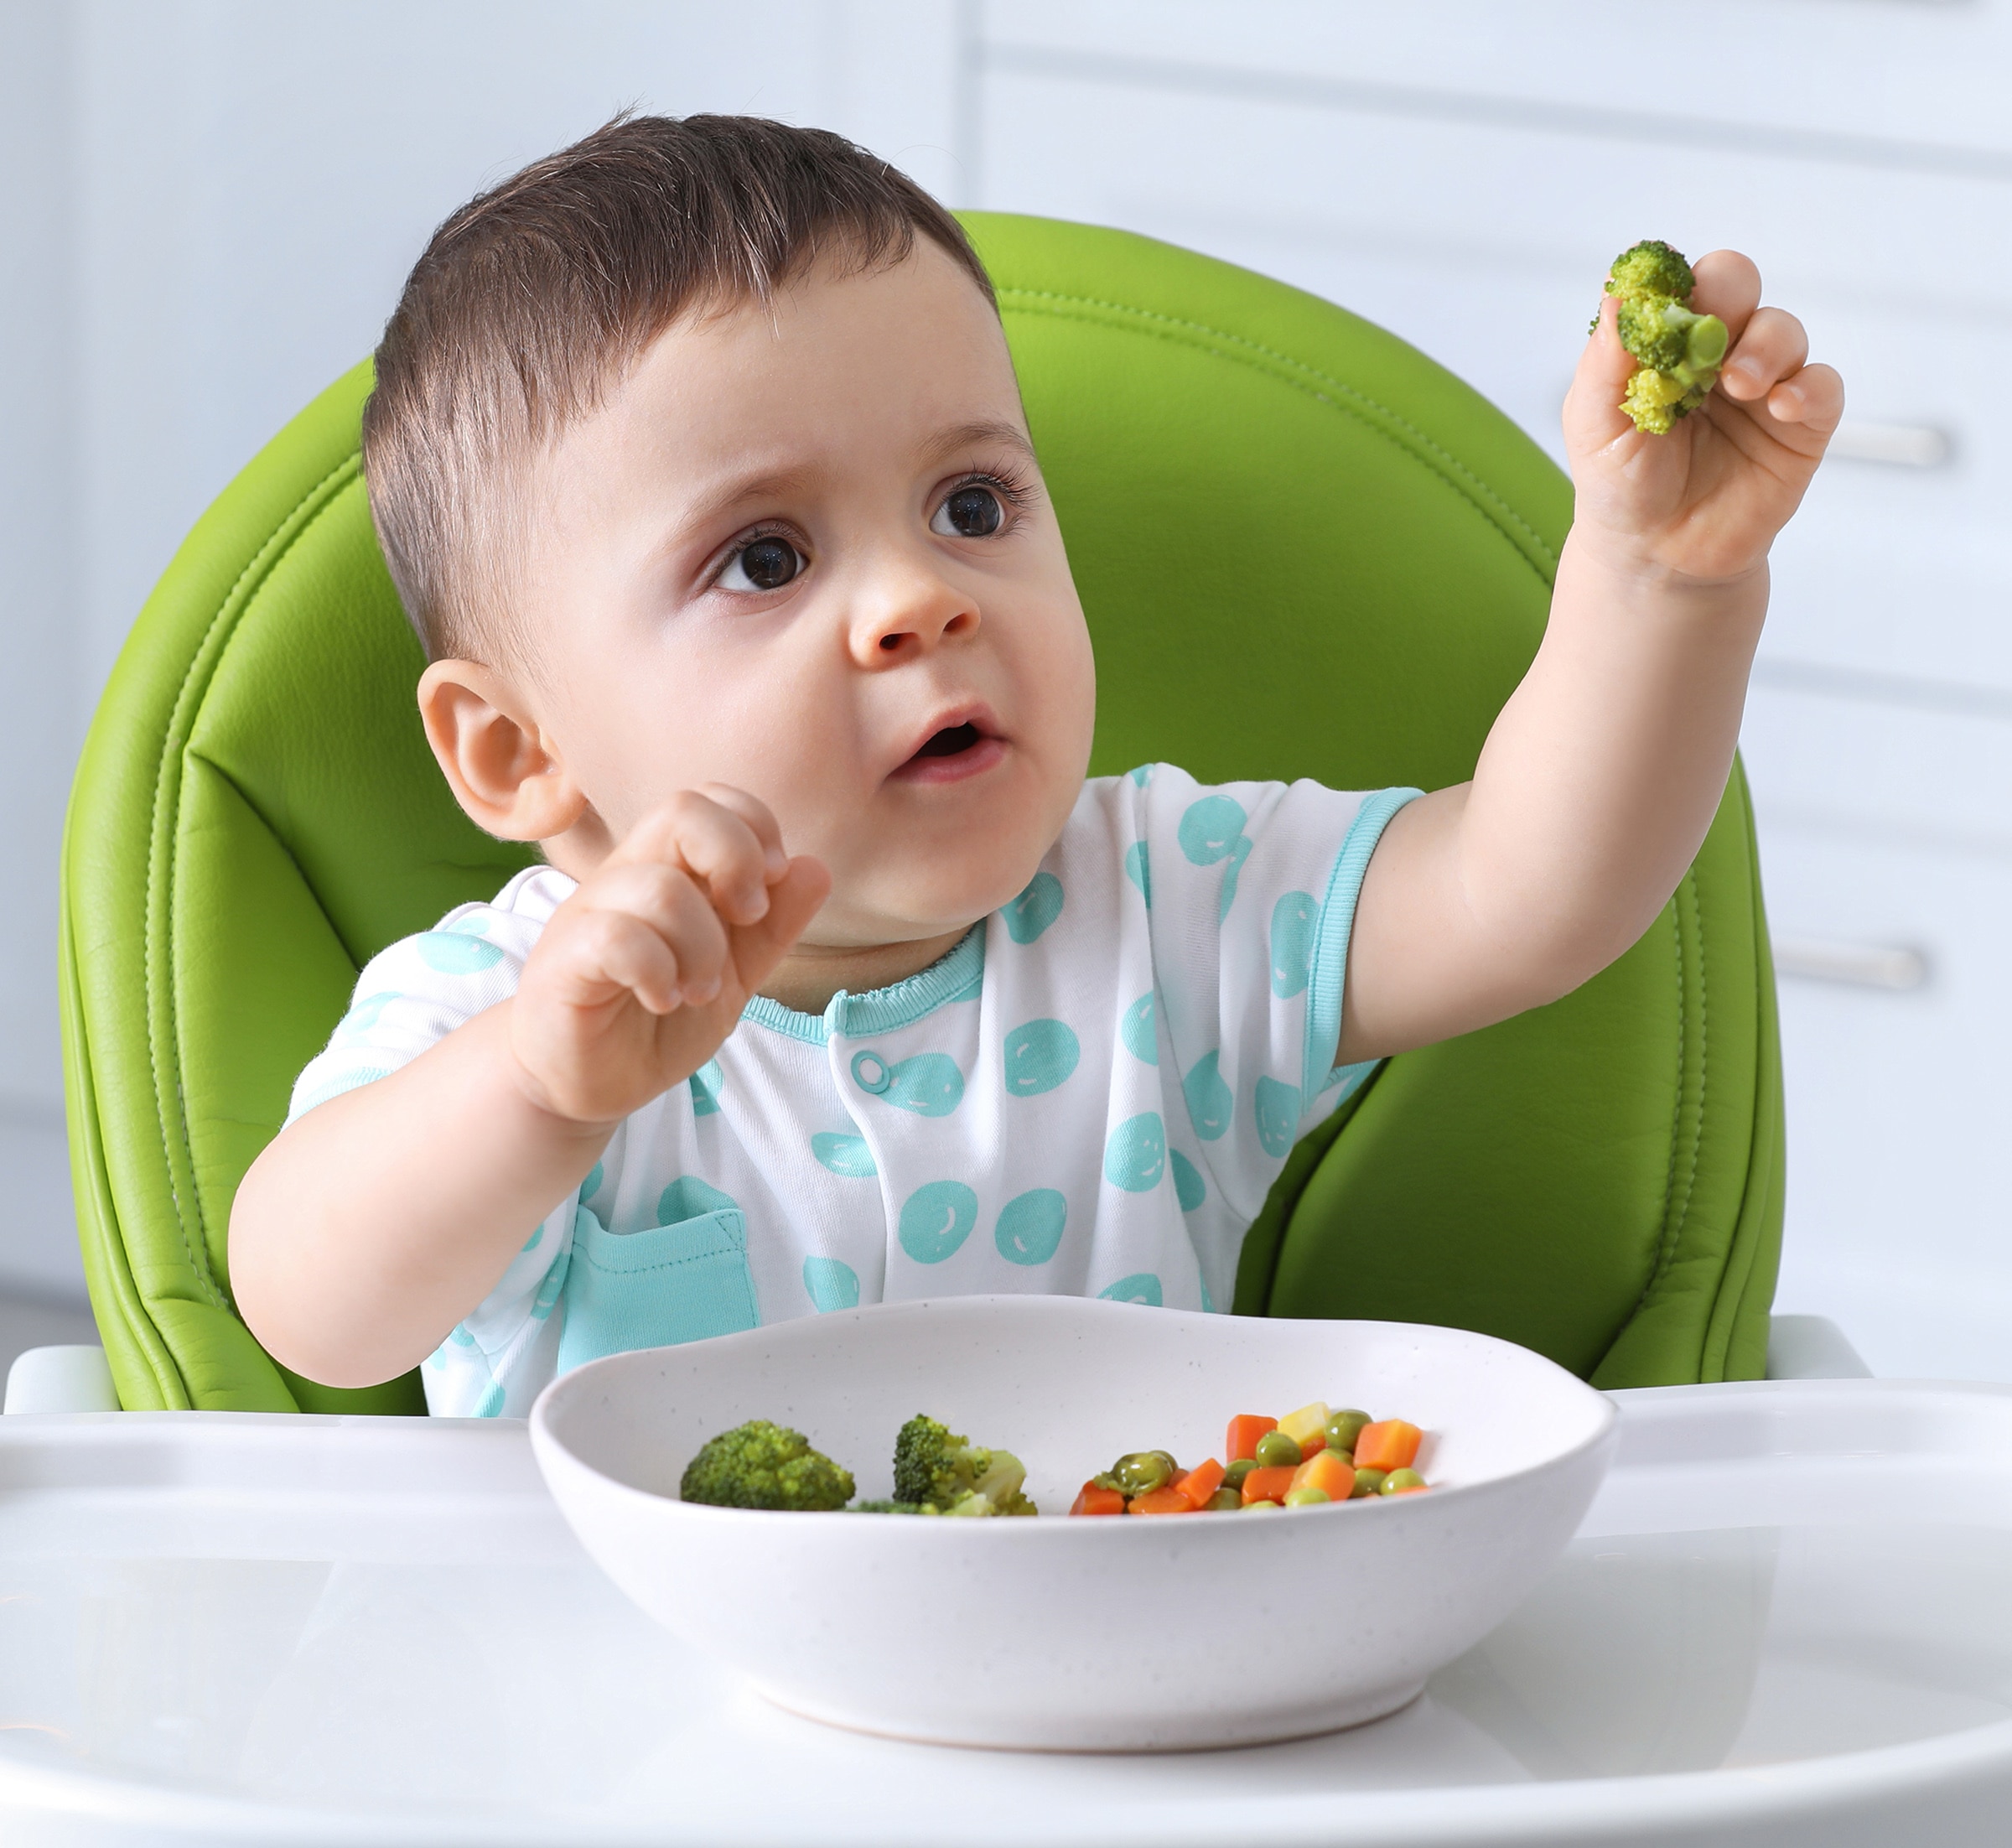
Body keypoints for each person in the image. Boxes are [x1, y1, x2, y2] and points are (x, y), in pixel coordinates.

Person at [227, 114, 1843, 1415]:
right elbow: (315, 1309)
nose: (925, 597)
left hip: (1121, 1737)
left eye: (975, 507)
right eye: (768, 559)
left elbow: (1530, 889)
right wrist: (535, 1093)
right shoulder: (512, 1015)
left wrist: (1662, 581)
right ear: (519, 752)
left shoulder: (1168, 913)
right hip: (642, 1778)